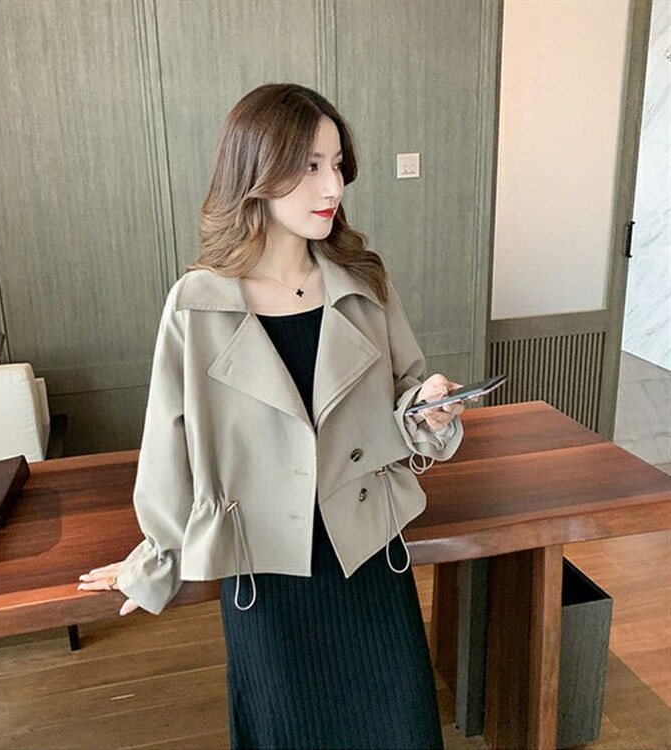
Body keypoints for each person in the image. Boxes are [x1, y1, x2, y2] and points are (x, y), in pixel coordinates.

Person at [78, 82, 466, 749]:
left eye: (336, 164)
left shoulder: (363, 282)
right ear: (254, 173)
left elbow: (403, 395)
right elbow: (169, 442)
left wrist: (428, 412)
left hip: (369, 553)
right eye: (309, 165)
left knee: (400, 729)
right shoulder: (199, 303)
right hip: (265, 570)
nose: (332, 185)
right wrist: (158, 557)